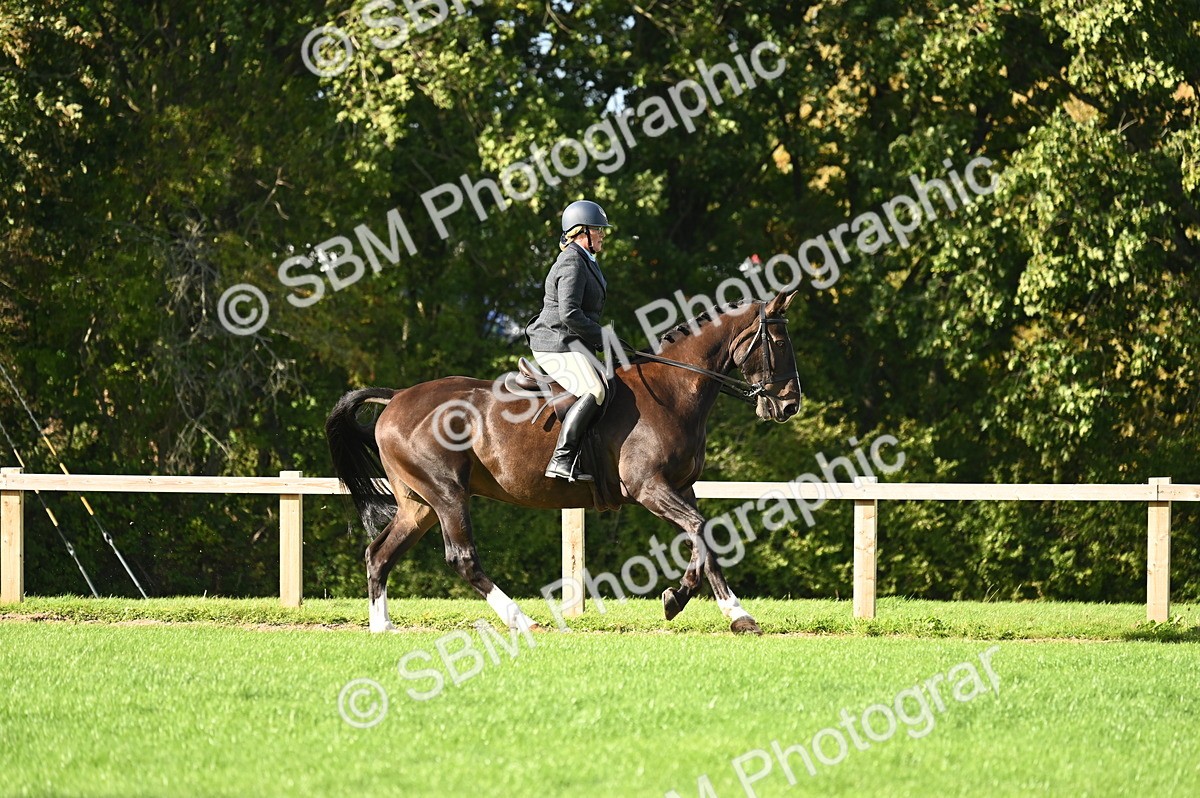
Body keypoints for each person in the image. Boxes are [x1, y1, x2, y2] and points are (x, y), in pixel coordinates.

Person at [525, 200, 612, 482]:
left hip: (571, 342)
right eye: (598, 230)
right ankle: (561, 459)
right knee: (595, 389)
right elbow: (570, 314)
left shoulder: (586, 260)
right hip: (555, 341)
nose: (602, 235)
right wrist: (603, 338)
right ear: (581, 231)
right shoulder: (573, 261)